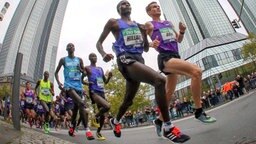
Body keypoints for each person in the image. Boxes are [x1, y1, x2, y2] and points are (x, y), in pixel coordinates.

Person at [96, 0, 190, 143]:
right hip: (125, 60)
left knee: (128, 101)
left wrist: (148, 37)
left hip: (138, 61)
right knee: (159, 80)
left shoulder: (139, 26)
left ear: (131, 8)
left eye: (128, 3)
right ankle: (167, 127)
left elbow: (145, 48)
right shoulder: (113, 22)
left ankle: (115, 121)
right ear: (118, 9)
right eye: (122, 4)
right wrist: (103, 54)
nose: (126, 5)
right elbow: (99, 43)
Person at [145, 1, 217, 137]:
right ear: (149, 12)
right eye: (154, 7)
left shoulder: (168, 23)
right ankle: (199, 110)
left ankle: (159, 120)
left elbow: (179, 40)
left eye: (158, 6)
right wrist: (150, 43)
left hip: (175, 56)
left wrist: (182, 31)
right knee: (196, 72)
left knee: (169, 93)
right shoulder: (149, 24)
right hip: (165, 58)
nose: (157, 8)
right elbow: (140, 41)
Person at [55, 43, 94, 140]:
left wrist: (81, 70)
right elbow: (56, 72)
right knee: (81, 103)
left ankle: (72, 127)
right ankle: (87, 130)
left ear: (74, 48)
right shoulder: (63, 60)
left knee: (76, 111)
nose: (70, 47)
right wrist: (59, 83)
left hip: (79, 87)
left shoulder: (79, 59)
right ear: (66, 49)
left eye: (72, 46)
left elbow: (84, 73)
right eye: (68, 46)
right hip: (69, 87)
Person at [84, 53, 112, 140]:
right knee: (107, 106)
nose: (94, 57)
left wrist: (109, 77)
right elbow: (81, 78)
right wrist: (87, 83)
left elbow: (105, 82)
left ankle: (98, 132)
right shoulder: (87, 68)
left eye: (95, 56)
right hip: (93, 92)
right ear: (89, 58)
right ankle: (94, 117)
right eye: (92, 56)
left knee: (103, 115)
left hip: (101, 92)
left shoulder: (100, 69)